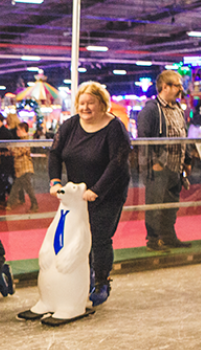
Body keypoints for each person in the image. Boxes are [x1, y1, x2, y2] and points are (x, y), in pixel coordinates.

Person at [48, 81, 132, 306]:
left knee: (99, 236)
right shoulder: (70, 125)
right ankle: (83, 276)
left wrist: (97, 190)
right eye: (81, 103)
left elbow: (118, 162)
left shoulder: (114, 128)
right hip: (78, 193)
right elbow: (55, 153)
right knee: (77, 235)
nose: (85, 108)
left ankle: (102, 281)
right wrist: (55, 181)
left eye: (90, 103)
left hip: (108, 191)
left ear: (102, 104)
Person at [137, 69, 192, 251]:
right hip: (158, 167)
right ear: (165, 87)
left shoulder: (178, 109)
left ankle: (168, 236)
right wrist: (153, 163)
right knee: (155, 205)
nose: (180, 90)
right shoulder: (151, 110)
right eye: (177, 85)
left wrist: (187, 160)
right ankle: (153, 240)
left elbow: (184, 135)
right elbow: (143, 138)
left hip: (176, 165)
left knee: (171, 204)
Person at [8, 120, 39, 212]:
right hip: (21, 168)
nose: (17, 131)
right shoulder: (22, 140)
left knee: (23, 187)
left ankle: (11, 203)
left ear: (23, 130)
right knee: (23, 186)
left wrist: (12, 149)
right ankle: (32, 204)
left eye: (18, 129)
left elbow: (19, 152)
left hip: (24, 167)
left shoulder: (25, 140)